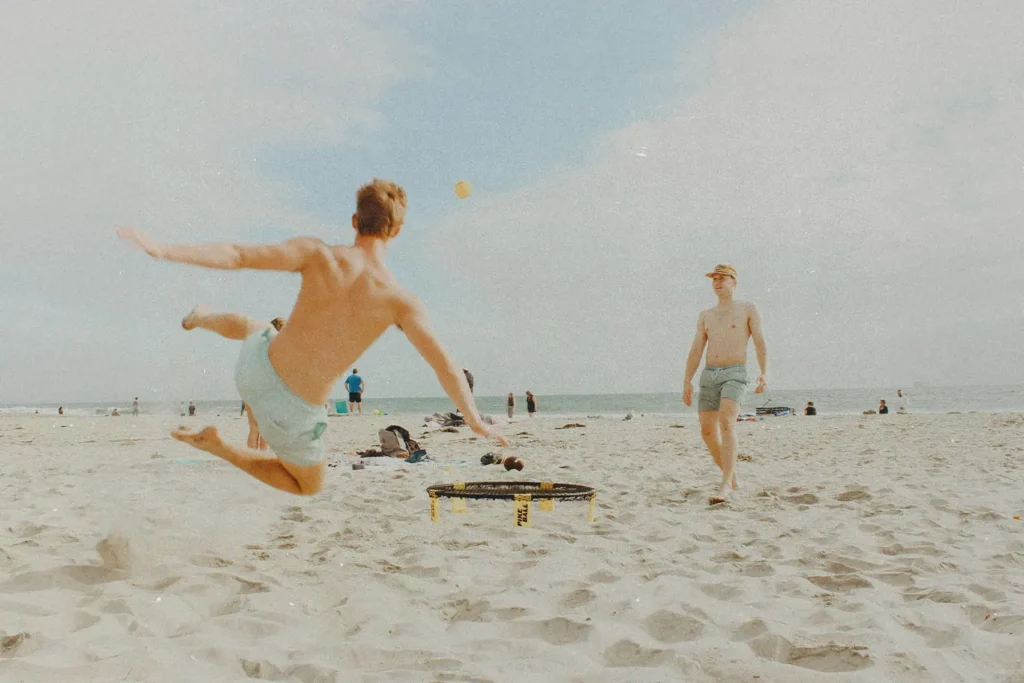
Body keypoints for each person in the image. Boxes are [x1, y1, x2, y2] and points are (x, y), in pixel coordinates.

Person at [117, 178, 507, 496]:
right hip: (294, 412)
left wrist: (163, 248)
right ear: (398, 230)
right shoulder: (399, 301)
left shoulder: (318, 254)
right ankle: (221, 448)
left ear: (355, 221)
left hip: (254, 370)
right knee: (308, 484)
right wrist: (475, 420)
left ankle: (202, 317)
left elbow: (237, 254)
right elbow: (446, 368)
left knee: (260, 330)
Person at [682, 264, 768, 506]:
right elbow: (696, 349)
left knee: (727, 422)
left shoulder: (747, 308)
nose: (718, 282)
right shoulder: (706, 315)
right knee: (707, 432)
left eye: (723, 278)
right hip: (709, 374)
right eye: (714, 279)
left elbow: (760, 342)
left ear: (734, 281)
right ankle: (732, 478)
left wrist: (764, 373)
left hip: (735, 372)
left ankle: (725, 483)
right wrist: (687, 380)